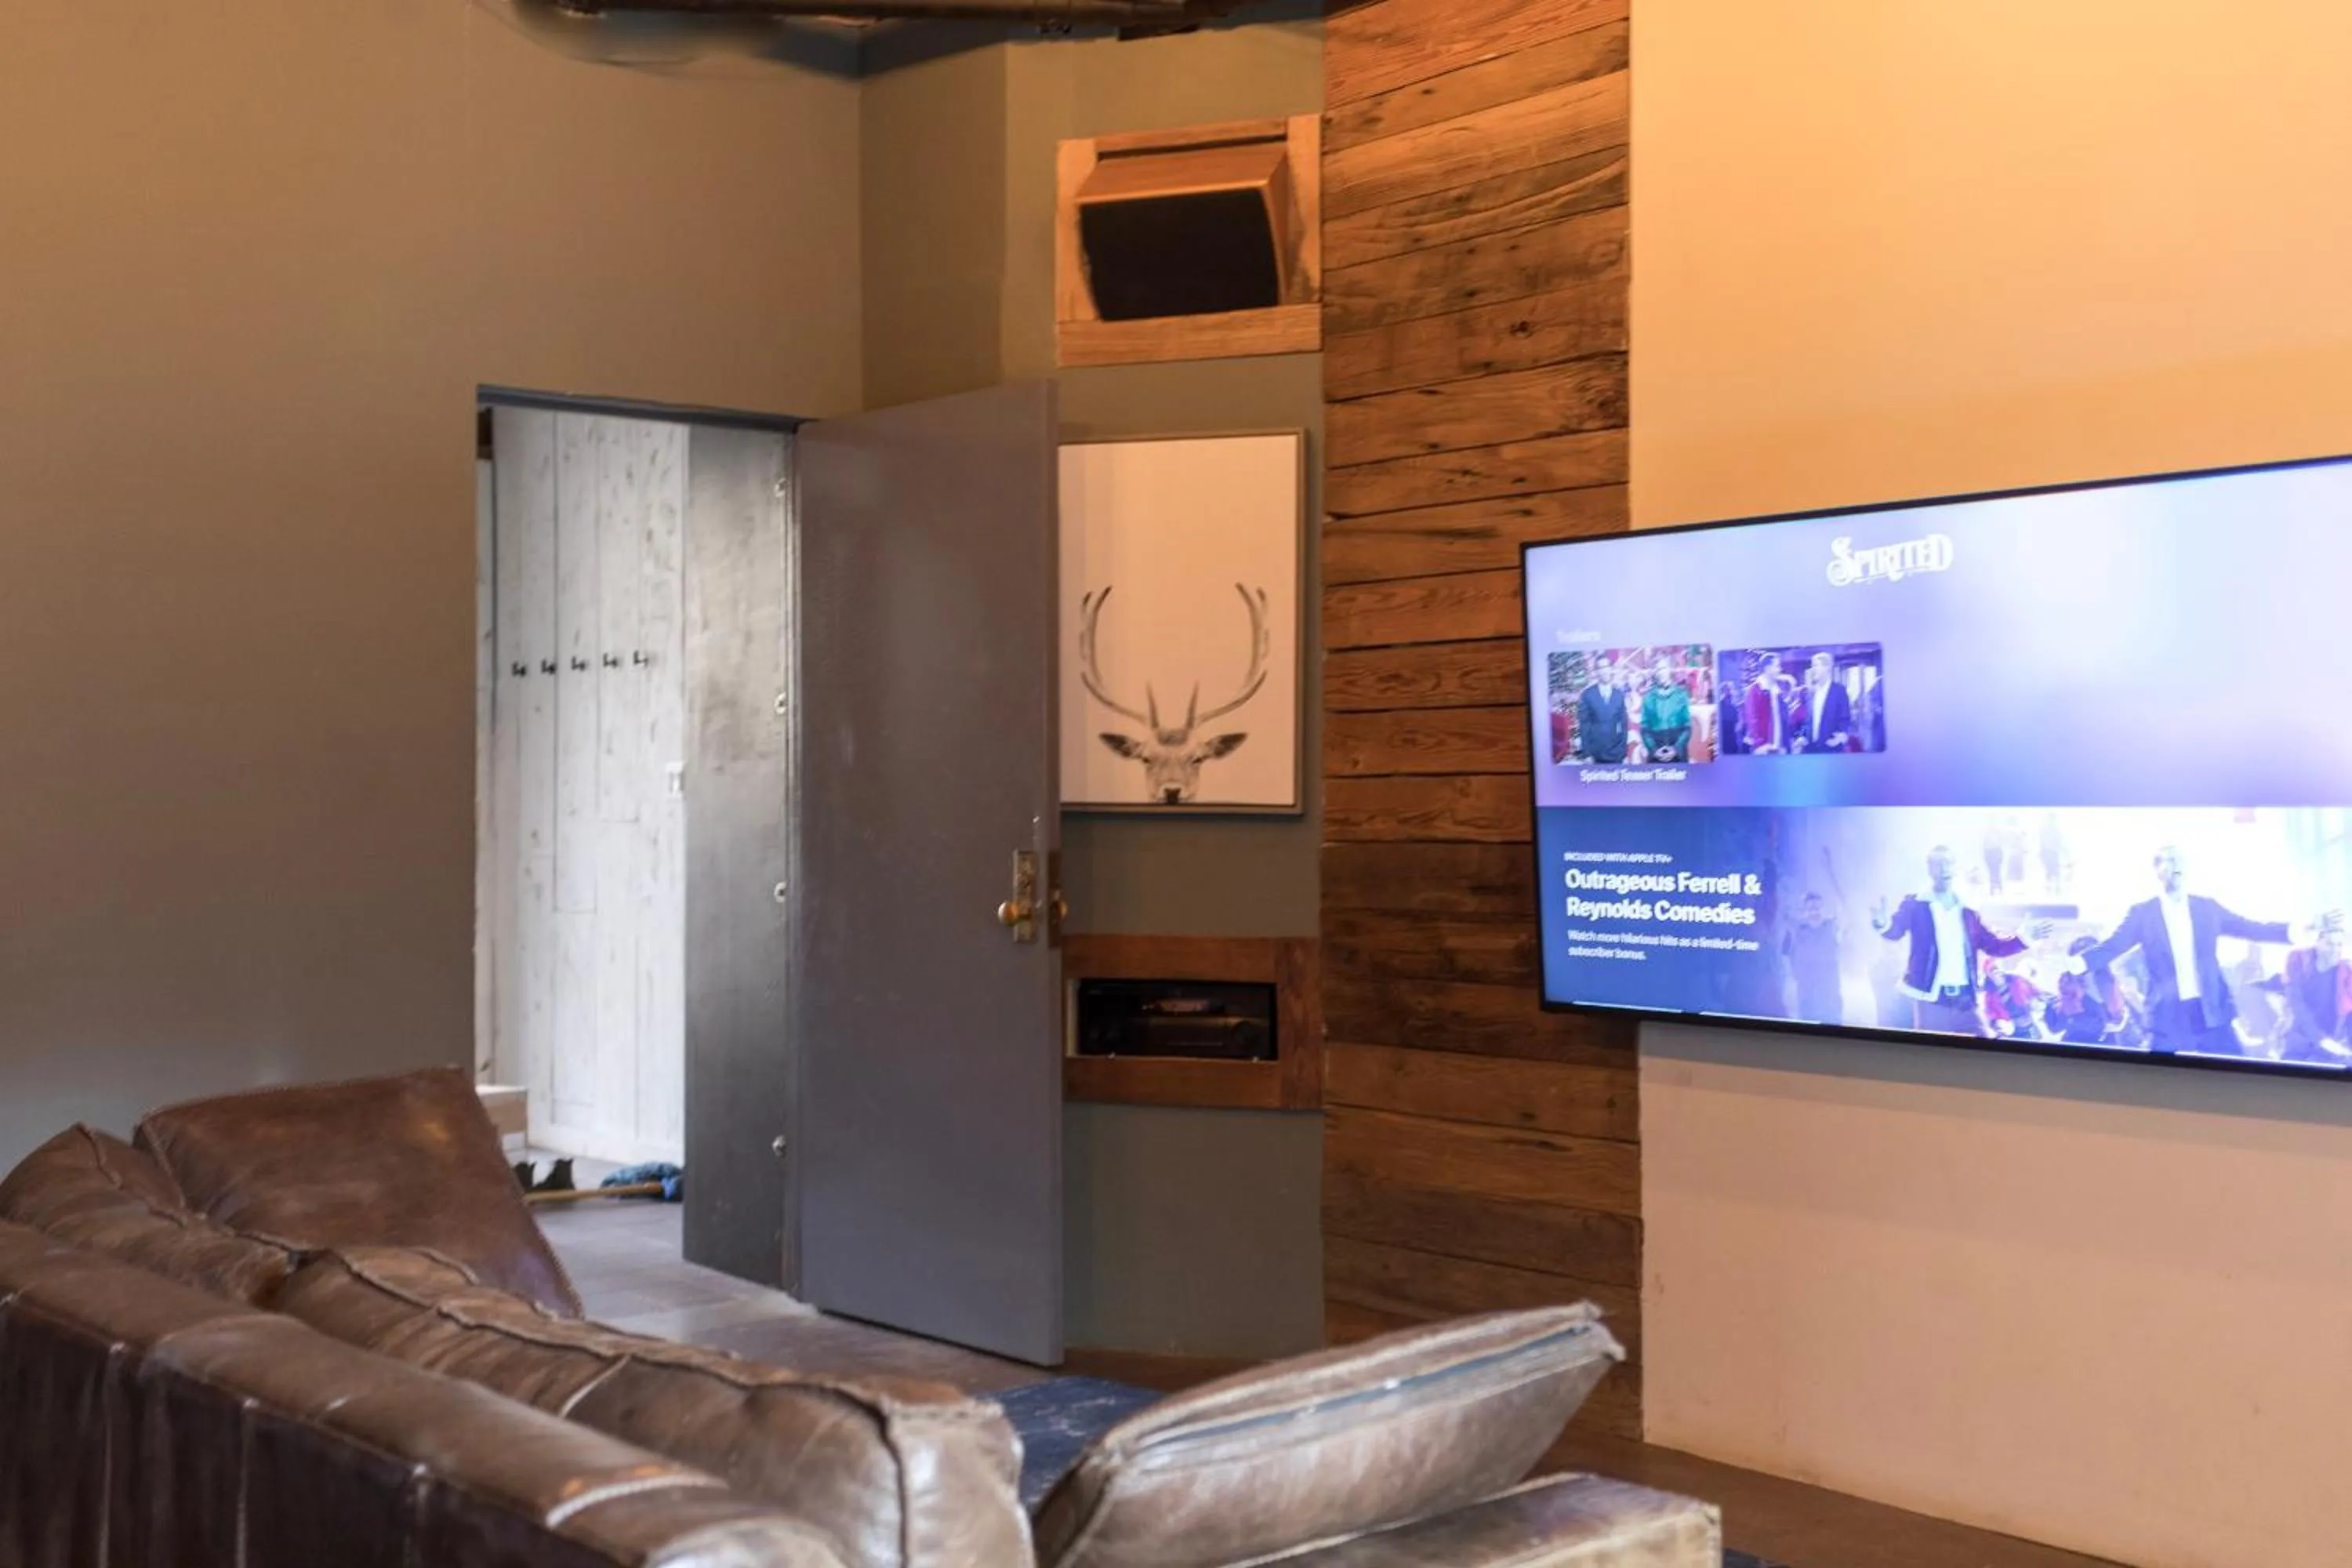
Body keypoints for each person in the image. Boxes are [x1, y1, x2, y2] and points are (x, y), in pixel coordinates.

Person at [2067, 846, 2325, 1057]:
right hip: (2168, 1014)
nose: (2175, 864)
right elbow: (2114, 945)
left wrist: (2294, 929)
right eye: (2168, 860)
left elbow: (2250, 928)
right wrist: (2078, 963)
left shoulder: (2207, 909)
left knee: (2235, 1077)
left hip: (2210, 1010)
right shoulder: (2143, 913)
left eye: (2180, 860)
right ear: (2158, 870)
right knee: (2159, 1084)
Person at [1872, 845, 2052, 1036]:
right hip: (1934, 1001)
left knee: (1982, 1050)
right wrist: (1882, 925)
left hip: (1966, 1001)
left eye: (1948, 863)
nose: (1944, 869)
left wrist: (2023, 938)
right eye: (1938, 864)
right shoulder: (1916, 905)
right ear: (1930, 869)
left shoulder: (1968, 912)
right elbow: (1895, 931)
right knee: (1933, 1058)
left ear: (1955, 868)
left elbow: (1994, 946)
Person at [2277, 917, 2352, 1065]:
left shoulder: (2347, 972)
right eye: (2330, 944)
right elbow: (2297, 1005)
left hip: (2331, 1047)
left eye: (2339, 945)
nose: (2335, 950)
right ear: (2317, 942)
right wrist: (2320, 1039)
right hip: (2299, 1041)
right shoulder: (2299, 961)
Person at [1782, 890, 1845, 1025]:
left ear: (1824, 908)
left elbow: (1843, 913)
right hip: (1807, 994)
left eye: (1818, 907)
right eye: (1810, 908)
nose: (1814, 911)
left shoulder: (1832, 927)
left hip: (1830, 994)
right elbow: (1784, 914)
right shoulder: (1796, 930)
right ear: (1804, 911)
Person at [1791, 652, 1853, 753]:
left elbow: (1845, 719)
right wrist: (1801, 737)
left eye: (1816, 665)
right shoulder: (1810, 692)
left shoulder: (1839, 691)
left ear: (1827, 667)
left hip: (1831, 748)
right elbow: (1807, 721)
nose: (1813, 669)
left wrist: (1841, 736)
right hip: (1810, 749)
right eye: (1812, 666)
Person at [1573, 659, 1630, 764]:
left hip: (1616, 754)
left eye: (1607, 667)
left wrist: (1623, 752)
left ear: (1611, 669)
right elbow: (1584, 726)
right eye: (1601, 668)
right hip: (1595, 755)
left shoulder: (1619, 695)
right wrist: (1587, 754)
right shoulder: (1587, 695)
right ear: (1596, 672)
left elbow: (1624, 725)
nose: (1605, 671)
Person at [1639, 655, 1693, 763]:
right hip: (1656, 755)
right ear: (1654, 673)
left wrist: (1676, 749)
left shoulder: (1681, 695)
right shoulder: (1648, 698)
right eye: (1658, 670)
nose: (1661, 673)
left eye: (1663, 668)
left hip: (1678, 755)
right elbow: (1645, 729)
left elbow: (1687, 728)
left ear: (1669, 670)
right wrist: (1654, 750)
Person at [2042, 968, 2113, 1044]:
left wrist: (2075, 1017)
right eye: (2061, 983)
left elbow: (2101, 1024)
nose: (2062, 985)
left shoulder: (2094, 1007)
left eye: (2068, 981)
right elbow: (2054, 1028)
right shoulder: (2054, 1008)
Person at [1740, 653, 1789, 755]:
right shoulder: (1755, 691)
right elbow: (1752, 719)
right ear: (1768, 668)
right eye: (1777, 666)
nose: (1780, 670)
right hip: (1763, 750)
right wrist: (1760, 744)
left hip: (1779, 749)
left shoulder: (1778, 692)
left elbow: (1783, 720)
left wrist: (1785, 745)